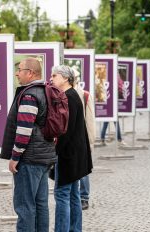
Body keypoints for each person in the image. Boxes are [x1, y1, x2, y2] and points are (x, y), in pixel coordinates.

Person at [0, 57, 56, 232]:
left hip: (29, 159)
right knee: (41, 205)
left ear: (30, 73)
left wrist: (15, 156)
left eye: (20, 69)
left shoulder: (30, 95)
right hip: (44, 157)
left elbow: (24, 129)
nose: (17, 73)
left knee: (25, 207)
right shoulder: (46, 91)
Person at [50, 65, 92, 232]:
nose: (52, 78)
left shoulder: (67, 97)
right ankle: (75, 229)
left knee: (62, 195)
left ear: (66, 78)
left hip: (68, 156)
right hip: (75, 155)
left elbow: (65, 131)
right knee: (73, 195)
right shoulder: (72, 96)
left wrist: (55, 152)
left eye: (55, 75)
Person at [75, 86, 96, 211]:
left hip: (82, 137)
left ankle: (84, 197)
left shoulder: (85, 95)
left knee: (83, 169)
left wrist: (91, 142)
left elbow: (90, 120)